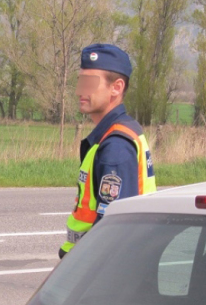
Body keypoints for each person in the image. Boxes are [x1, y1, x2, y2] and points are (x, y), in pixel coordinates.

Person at [59, 43, 156, 258]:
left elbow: (114, 230)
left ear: (117, 88)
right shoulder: (115, 133)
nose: (80, 91)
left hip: (96, 268)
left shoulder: (116, 146)